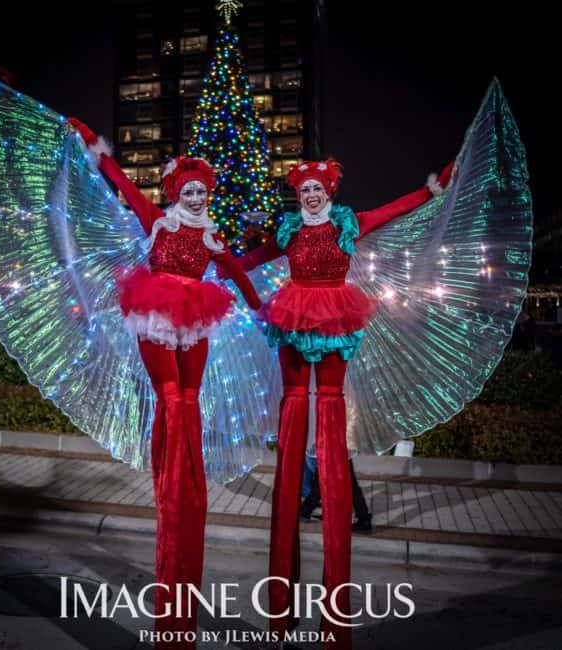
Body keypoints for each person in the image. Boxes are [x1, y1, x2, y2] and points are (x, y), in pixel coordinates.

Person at [235, 159, 453, 648]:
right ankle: (282, 606)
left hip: (334, 312)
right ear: (298, 193)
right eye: (304, 189)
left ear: (329, 189)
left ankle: (333, 594)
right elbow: (257, 257)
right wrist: (213, 264)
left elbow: (392, 210)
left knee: (329, 410)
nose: (311, 195)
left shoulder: (348, 223)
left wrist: (431, 190)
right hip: (292, 315)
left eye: (318, 188)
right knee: (293, 410)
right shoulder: (290, 228)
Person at [68, 117, 261, 647]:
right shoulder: (157, 219)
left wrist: (262, 307)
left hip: (195, 315)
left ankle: (188, 469)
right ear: (176, 191)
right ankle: (169, 469)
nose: (197, 198)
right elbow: (123, 185)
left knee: (191, 399)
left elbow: (239, 271)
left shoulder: (211, 233)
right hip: (156, 313)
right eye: (189, 191)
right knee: (171, 397)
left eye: (202, 191)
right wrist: (95, 147)